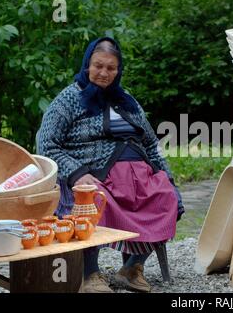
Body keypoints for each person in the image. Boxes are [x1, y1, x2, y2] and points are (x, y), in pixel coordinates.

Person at [37, 37, 184, 293]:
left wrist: (166, 175)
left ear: (118, 70)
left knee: (169, 198)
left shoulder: (127, 100)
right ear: (87, 65)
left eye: (111, 68)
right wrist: (77, 173)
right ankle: (90, 274)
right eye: (98, 66)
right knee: (91, 200)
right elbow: (46, 145)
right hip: (95, 178)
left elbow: (151, 144)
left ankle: (131, 268)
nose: (104, 73)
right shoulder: (69, 99)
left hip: (141, 179)